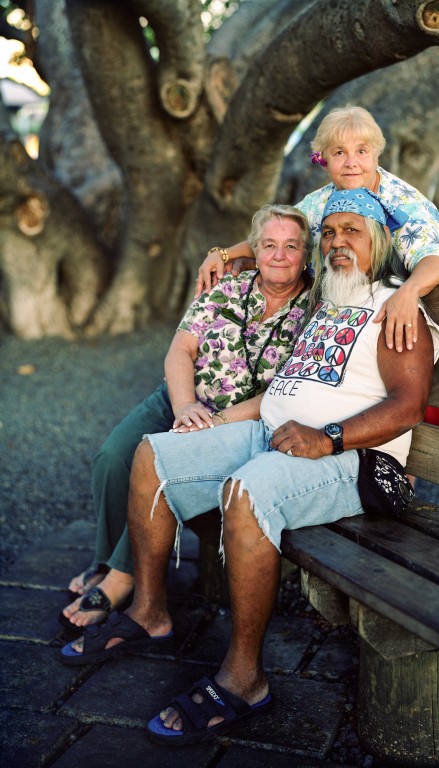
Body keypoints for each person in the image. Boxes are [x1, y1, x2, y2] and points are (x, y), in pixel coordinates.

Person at [60, 188, 439, 748]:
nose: (337, 242)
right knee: (153, 453)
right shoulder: (329, 299)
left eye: (353, 233)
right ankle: (149, 612)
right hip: (275, 437)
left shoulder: (394, 306)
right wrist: (227, 253)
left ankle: (244, 678)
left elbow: (408, 405)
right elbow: (268, 259)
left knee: (245, 491)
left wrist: (327, 437)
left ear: (380, 242)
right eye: (330, 232)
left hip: (355, 460)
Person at [196, 105, 439, 514]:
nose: (351, 161)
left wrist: (407, 293)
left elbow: (435, 261)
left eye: (361, 151)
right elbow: (282, 233)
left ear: (376, 155)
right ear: (323, 159)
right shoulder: (322, 202)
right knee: (388, 399)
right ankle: (395, 490)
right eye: (339, 153)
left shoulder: (401, 200)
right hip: (391, 314)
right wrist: (223, 253)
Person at [60, 204, 313, 629]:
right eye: (269, 245)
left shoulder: (312, 312)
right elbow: (181, 350)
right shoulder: (229, 286)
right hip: (181, 398)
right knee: (113, 456)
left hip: (236, 420)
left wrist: (213, 422)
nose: (279, 255)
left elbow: (282, 391)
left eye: (291, 246)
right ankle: (104, 561)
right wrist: (183, 407)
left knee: (156, 466)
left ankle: (123, 579)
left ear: (305, 255)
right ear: (255, 249)